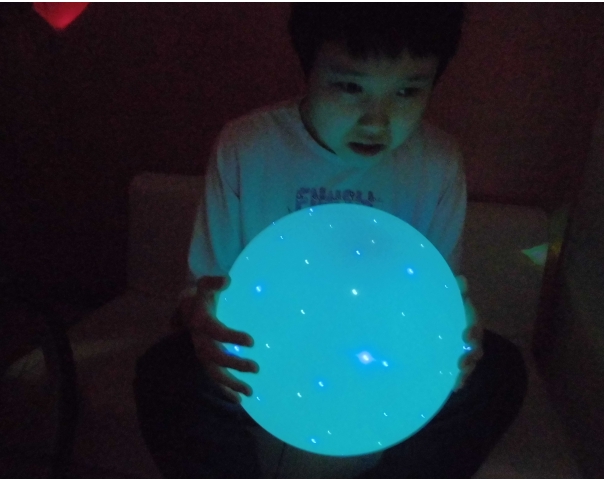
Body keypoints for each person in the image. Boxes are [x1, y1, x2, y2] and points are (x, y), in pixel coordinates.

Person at [134, 3, 528, 478]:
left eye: (407, 91)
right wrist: (201, 323)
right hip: (271, 357)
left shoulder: (437, 162)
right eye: (350, 87)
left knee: (500, 370)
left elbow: (438, 297)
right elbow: (200, 294)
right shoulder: (248, 146)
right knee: (166, 372)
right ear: (309, 71)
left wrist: (460, 337)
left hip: (381, 362)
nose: (376, 121)